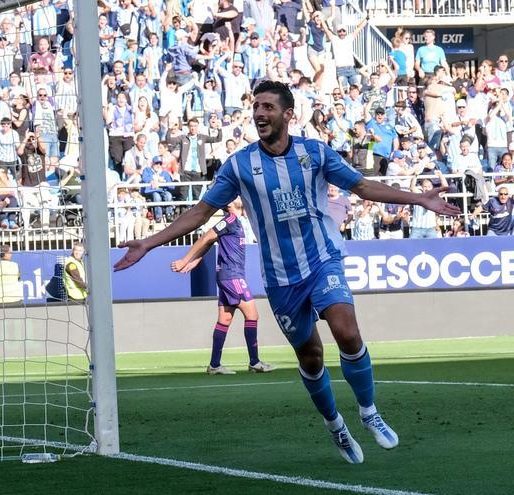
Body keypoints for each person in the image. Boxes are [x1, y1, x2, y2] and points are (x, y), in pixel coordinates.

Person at [115, 81, 460, 464]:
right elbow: (201, 212)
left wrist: (418, 199)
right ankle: (336, 426)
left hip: (322, 260)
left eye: (267, 107)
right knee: (311, 357)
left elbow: (362, 186)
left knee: (346, 331)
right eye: (256, 107)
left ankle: (368, 411)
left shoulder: (315, 153)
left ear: (287, 114)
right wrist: (149, 242)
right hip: (281, 277)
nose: (259, 113)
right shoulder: (241, 164)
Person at [170, 201, 275, 375]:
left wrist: (195, 260)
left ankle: (214, 365)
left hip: (228, 275)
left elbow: (210, 242)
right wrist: (185, 259)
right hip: (232, 276)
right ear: (230, 203)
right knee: (252, 315)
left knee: (224, 319)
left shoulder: (234, 221)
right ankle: (255, 362)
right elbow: (205, 238)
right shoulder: (230, 219)